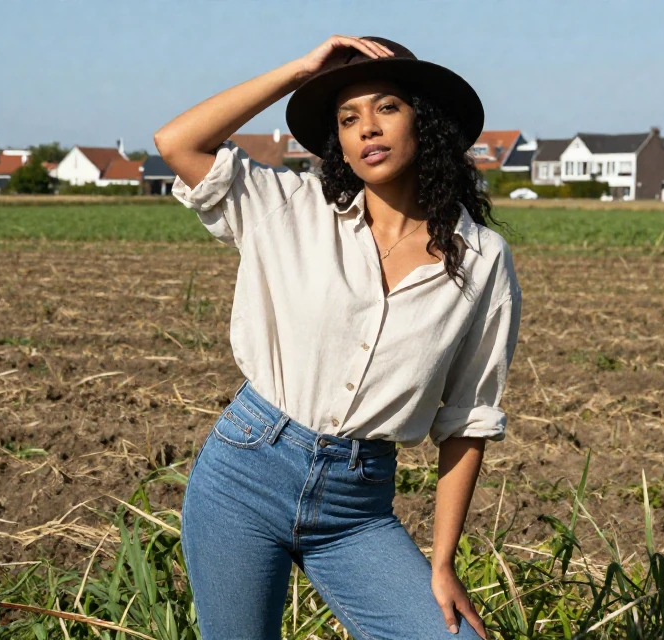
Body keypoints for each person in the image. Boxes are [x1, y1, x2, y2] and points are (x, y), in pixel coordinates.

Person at [154, 35, 522, 639]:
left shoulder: (482, 259)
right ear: (339, 144)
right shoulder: (289, 207)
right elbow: (178, 142)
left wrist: (443, 560)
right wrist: (301, 70)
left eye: (386, 108)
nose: (367, 129)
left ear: (424, 122)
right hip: (245, 474)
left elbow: (468, 417)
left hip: (356, 508)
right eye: (348, 118)